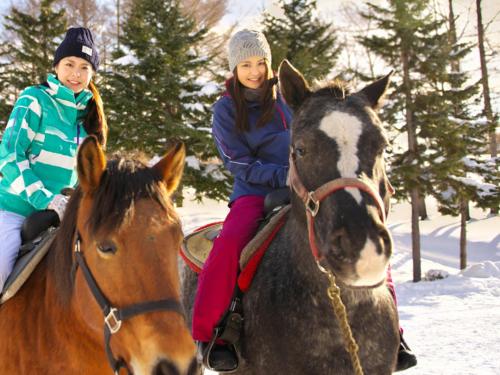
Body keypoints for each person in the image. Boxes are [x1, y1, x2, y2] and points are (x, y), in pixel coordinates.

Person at [192, 29, 292, 372]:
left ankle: (390, 329)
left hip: (303, 185)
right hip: (254, 191)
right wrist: (282, 177)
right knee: (230, 243)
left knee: (356, 220)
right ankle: (212, 333)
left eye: (260, 62)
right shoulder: (224, 110)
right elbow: (237, 162)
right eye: (246, 64)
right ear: (234, 68)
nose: (255, 71)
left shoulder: (288, 99)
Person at [0, 27, 107, 293]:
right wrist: (46, 199)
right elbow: (9, 156)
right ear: (56, 66)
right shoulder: (34, 99)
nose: (75, 74)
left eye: (84, 67)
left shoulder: (90, 118)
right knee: (2, 264)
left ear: (92, 74)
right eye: (69, 64)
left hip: (63, 217)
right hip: (14, 211)